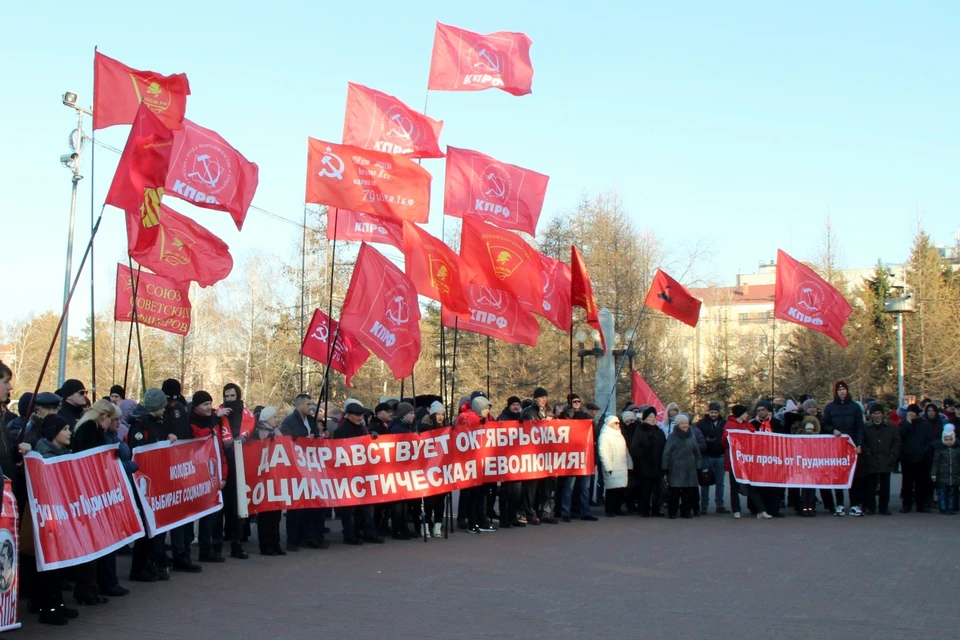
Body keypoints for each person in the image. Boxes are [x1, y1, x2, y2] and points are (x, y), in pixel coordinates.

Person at [127, 389, 189, 580]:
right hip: (145, 482)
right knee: (146, 528)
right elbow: (138, 451)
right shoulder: (140, 426)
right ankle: (139, 568)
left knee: (154, 528)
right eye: (162, 407)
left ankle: (152, 563)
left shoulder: (157, 422)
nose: (165, 410)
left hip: (157, 481)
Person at [32, 415, 81, 625]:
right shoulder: (43, 456)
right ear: (54, 433)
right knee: (49, 566)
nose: (70, 433)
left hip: (60, 515)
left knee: (58, 563)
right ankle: (47, 608)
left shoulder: (62, 453)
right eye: (66, 429)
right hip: (48, 518)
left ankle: (58, 603)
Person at [71, 399, 121, 604]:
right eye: (111, 419)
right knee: (91, 542)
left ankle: (90, 587)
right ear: (104, 417)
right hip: (88, 490)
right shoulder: (90, 430)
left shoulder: (86, 427)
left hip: (90, 490)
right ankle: (87, 588)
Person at [280, 393, 328, 551]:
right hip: (296, 467)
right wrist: (303, 438)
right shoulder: (289, 421)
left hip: (310, 466)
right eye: (308, 404)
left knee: (310, 504)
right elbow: (285, 441)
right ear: (299, 405)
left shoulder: (311, 421)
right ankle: (292, 540)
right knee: (296, 507)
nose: (311, 407)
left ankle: (308, 537)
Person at [333, 402, 384, 545]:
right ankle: (350, 534)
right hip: (347, 475)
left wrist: (372, 437)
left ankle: (369, 533)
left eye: (361, 415)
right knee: (348, 508)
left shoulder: (362, 428)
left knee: (367, 506)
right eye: (356, 415)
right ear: (348, 415)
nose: (359, 417)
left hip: (362, 474)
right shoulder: (340, 432)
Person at [190, 390, 229, 562]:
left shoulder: (214, 422)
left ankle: (207, 550)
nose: (209, 407)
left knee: (210, 514)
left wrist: (224, 475)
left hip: (212, 472)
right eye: (205, 404)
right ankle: (188, 549)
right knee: (192, 514)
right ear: (197, 406)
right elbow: (198, 440)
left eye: (210, 404)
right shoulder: (192, 422)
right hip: (196, 473)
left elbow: (218, 449)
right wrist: (213, 422)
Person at [218, 383, 254, 560]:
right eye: (227, 396)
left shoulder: (247, 415)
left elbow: (253, 437)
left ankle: (236, 543)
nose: (229, 400)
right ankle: (217, 543)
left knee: (238, 506)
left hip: (241, 464)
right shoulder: (218, 413)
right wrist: (217, 418)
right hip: (222, 464)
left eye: (232, 396)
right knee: (223, 505)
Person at [821, 381, 864, 516]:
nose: (842, 392)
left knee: (854, 476)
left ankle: (854, 504)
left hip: (852, 445)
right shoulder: (830, 407)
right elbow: (824, 424)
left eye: (844, 389)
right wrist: (832, 430)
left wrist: (859, 445)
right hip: (837, 446)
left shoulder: (855, 407)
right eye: (839, 390)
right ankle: (839, 504)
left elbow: (860, 428)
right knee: (838, 475)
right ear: (836, 392)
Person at [457, 395, 497, 533]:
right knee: (472, 494)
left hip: (480, 462)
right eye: (486, 408)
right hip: (470, 463)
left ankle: (480, 520)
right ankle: (472, 522)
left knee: (481, 494)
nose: (488, 411)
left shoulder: (483, 419)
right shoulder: (468, 419)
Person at [522, 387, 558, 525]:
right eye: (541, 397)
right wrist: (545, 422)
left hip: (547, 454)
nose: (544, 400)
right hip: (534, 454)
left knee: (547, 485)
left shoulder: (548, 411)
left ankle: (545, 512)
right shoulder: (528, 412)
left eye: (545, 397)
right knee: (532, 486)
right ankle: (531, 513)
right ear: (535, 399)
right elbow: (529, 430)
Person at [253, 406, 286, 555]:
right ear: (266, 419)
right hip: (264, 478)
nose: (277, 419)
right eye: (274, 417)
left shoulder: (277, 432)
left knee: (276, 513)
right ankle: (265, 545)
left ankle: (276, 543)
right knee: (265, 514)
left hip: (276, 477)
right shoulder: (258, 433)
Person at [722, 405, 762, 519]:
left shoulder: (747, 424)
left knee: (751, 485)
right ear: (740, 414)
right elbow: (724, 442)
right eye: (745, 413)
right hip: (734, 460)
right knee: (734, 486)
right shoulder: (729, 425)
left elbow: (754, 436)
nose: (747, 415)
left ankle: (760, 509)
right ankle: (736, 510)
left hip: (746, 460)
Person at [387, 402, 421, 539]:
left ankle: (404, 527)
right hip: (398, 470)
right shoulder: (397, 429)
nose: (413, 416)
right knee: (398, 503)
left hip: (406, 470)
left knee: (406, 501)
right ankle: (398, 529)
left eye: (413, 413)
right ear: (403, 414)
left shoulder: (406, 427)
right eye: (411, 413)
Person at [859, 403, 900, 516]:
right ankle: (870, 507)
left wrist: (893, 454)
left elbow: (896, 442)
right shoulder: (866, 427)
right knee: (870, 486)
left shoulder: (891, 427)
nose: (877, 415)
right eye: (874, 413)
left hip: (886, 460)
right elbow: (862, 442)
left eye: (879, 413)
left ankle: (884, 507)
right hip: (871, 459)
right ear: (871, 415)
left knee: (885, 486)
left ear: (882, 414)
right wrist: (866, 452)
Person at [661, 413, 702, 519]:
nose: (685, 425)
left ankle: (686, 511)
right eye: (682, 423)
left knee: (688, 493)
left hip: (690, 468)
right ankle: (672, 511)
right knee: (674, 492)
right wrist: (664, 468)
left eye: (686, 423)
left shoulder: (691, 435)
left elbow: (697, 452)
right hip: (676, 468)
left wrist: (698, 466)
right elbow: (667, 453)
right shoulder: (672, 437)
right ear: (678, 425)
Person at [750, 401, 786, 517]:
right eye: (758, 410)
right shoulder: (752, 425)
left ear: (768, 411)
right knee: (760, 485)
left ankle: (774, 509)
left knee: (775, 486)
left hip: (774, 459)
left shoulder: (777, 423)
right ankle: (759, 508)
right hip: (758, 460)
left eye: (762, 410)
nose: (760, 412)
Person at [629, 406, 666, 517]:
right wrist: (644, 454)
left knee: (658, 489)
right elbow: (634, 448)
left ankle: (656, 509)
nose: (653, 419)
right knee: (645, 488)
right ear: (645, 418)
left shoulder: (659, 431)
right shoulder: (640, 430)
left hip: (658, 464)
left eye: (654, 416)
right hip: (645, 465)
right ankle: (644, 509)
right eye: (650, 417)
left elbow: (664, 446)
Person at [421, 401, 450, 537]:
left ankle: (438, 525)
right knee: (429, 500)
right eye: (438, 414)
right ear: (432, 415)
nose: (440, 417)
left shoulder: (447, 428)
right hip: (429, 468)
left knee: (440, 499)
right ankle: (425, 525)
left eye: (442, 414)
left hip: (443, 468)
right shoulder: (424, 427)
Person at [899, 403, 935, 513]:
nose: (911, 414)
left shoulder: (925, 424)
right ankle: (907, 504)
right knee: (907, 482)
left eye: (913, 412)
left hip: (921, 458)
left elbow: (930, 440)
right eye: (909, 412)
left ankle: (921, 504)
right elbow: (900, 436)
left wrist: (924, 451)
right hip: (907, 458)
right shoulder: (903, 424)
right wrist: (907, 424)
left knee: (921, 482)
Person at [696, 401, 728, 514]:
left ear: (719, 413)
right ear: (708, 412)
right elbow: (697, 437)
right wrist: (706, 441)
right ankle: (704, 505)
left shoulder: (724, 423)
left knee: (720, 482)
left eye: (715, 412)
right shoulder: (701, 423)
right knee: (705, 481)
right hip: (707, 456)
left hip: (720, 456)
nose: (713, 414)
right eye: (711, 412)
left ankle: (720, 505)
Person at [598, 415, 631, 517]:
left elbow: (626, 451)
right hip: (612, 466)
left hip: (622, 466)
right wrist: (608, 466)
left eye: (618, 423)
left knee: (621, 489)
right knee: (611, 489)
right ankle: (609, 509)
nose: (618, 425)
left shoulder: (620, 435)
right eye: (615, 423)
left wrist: (630, 464)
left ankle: (618, 508)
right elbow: (603, 452)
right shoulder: (604, 436)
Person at [792, 414, 822, 516]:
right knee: (805, 487)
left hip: (813, 464)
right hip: (803, 464)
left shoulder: (819, 438)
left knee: (811, 487)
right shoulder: (800, 437)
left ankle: (811, 506)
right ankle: (804, 507)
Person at [932, 427, 960, 514]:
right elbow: (935, 463)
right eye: (946, 439)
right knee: (943, 493)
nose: (948, 441)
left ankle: (951, 508)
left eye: (950, 439)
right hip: (942, 476)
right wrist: (933, 473)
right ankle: (943, 508)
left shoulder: (957, 451)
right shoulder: (940, 450)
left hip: (954, 476)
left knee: (952, 493)